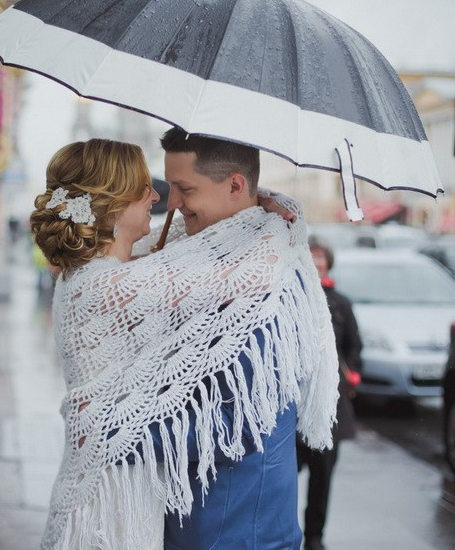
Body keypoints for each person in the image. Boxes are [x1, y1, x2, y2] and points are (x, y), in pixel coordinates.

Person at [31, 137, 338, 550]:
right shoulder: (112, 280)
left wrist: (266, 205)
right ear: (113, 207)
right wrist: (275, 218)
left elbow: (237, 423)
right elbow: (233, 265)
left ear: (233, 185)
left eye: (184, 188)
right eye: (153, 189)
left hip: (232, 528)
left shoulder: (135, 264)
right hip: (115, 495)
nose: (167, 201)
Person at [296, 236, 363, 550]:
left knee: (322, 478)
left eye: (321, 255)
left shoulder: (341, 302)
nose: (317, 260)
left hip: (331, 405)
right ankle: (286, 530)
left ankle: (314, 537)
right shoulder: (293, 296)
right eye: (311, 255)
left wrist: (351, 378)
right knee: (284, 477)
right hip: (295, 402)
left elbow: (354, 346)